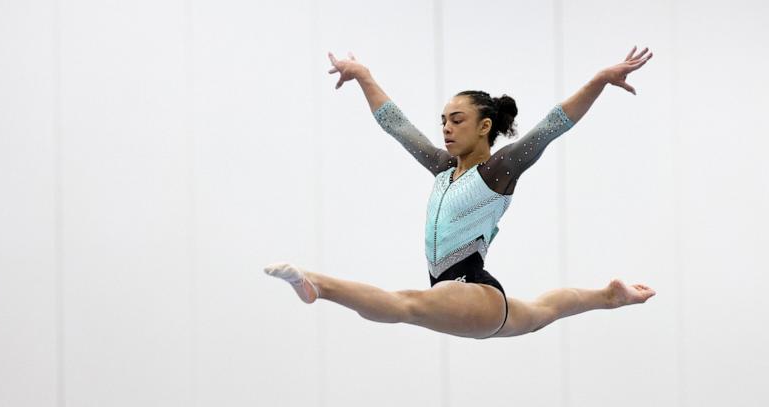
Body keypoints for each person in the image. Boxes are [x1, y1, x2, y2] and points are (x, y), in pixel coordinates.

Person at [265, 46, 656, 339]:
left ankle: (319, 284)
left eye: (457, 120)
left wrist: (600, 80)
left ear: (484, 126)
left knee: (406, 305)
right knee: (540, 313)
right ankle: (609, 296)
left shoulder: (498, 170)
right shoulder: (442, 169)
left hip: (470, 289)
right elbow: (397, 126)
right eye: (443, 121)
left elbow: (553, 126)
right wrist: (364, 75)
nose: (446, 129)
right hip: (464, 298)